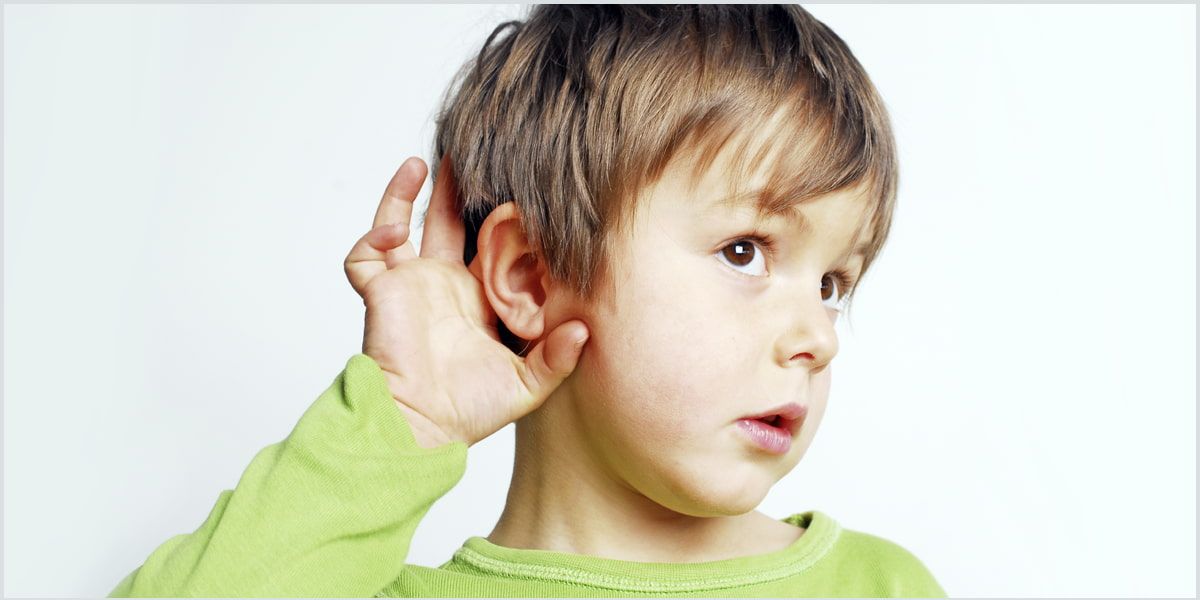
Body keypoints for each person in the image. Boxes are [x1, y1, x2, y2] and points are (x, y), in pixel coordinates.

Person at [110, 5, 947, 597]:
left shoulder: (882, 587)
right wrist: (403, 418)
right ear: (532, 278)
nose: (818, 337)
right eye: (744, 251)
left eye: (834, 283)